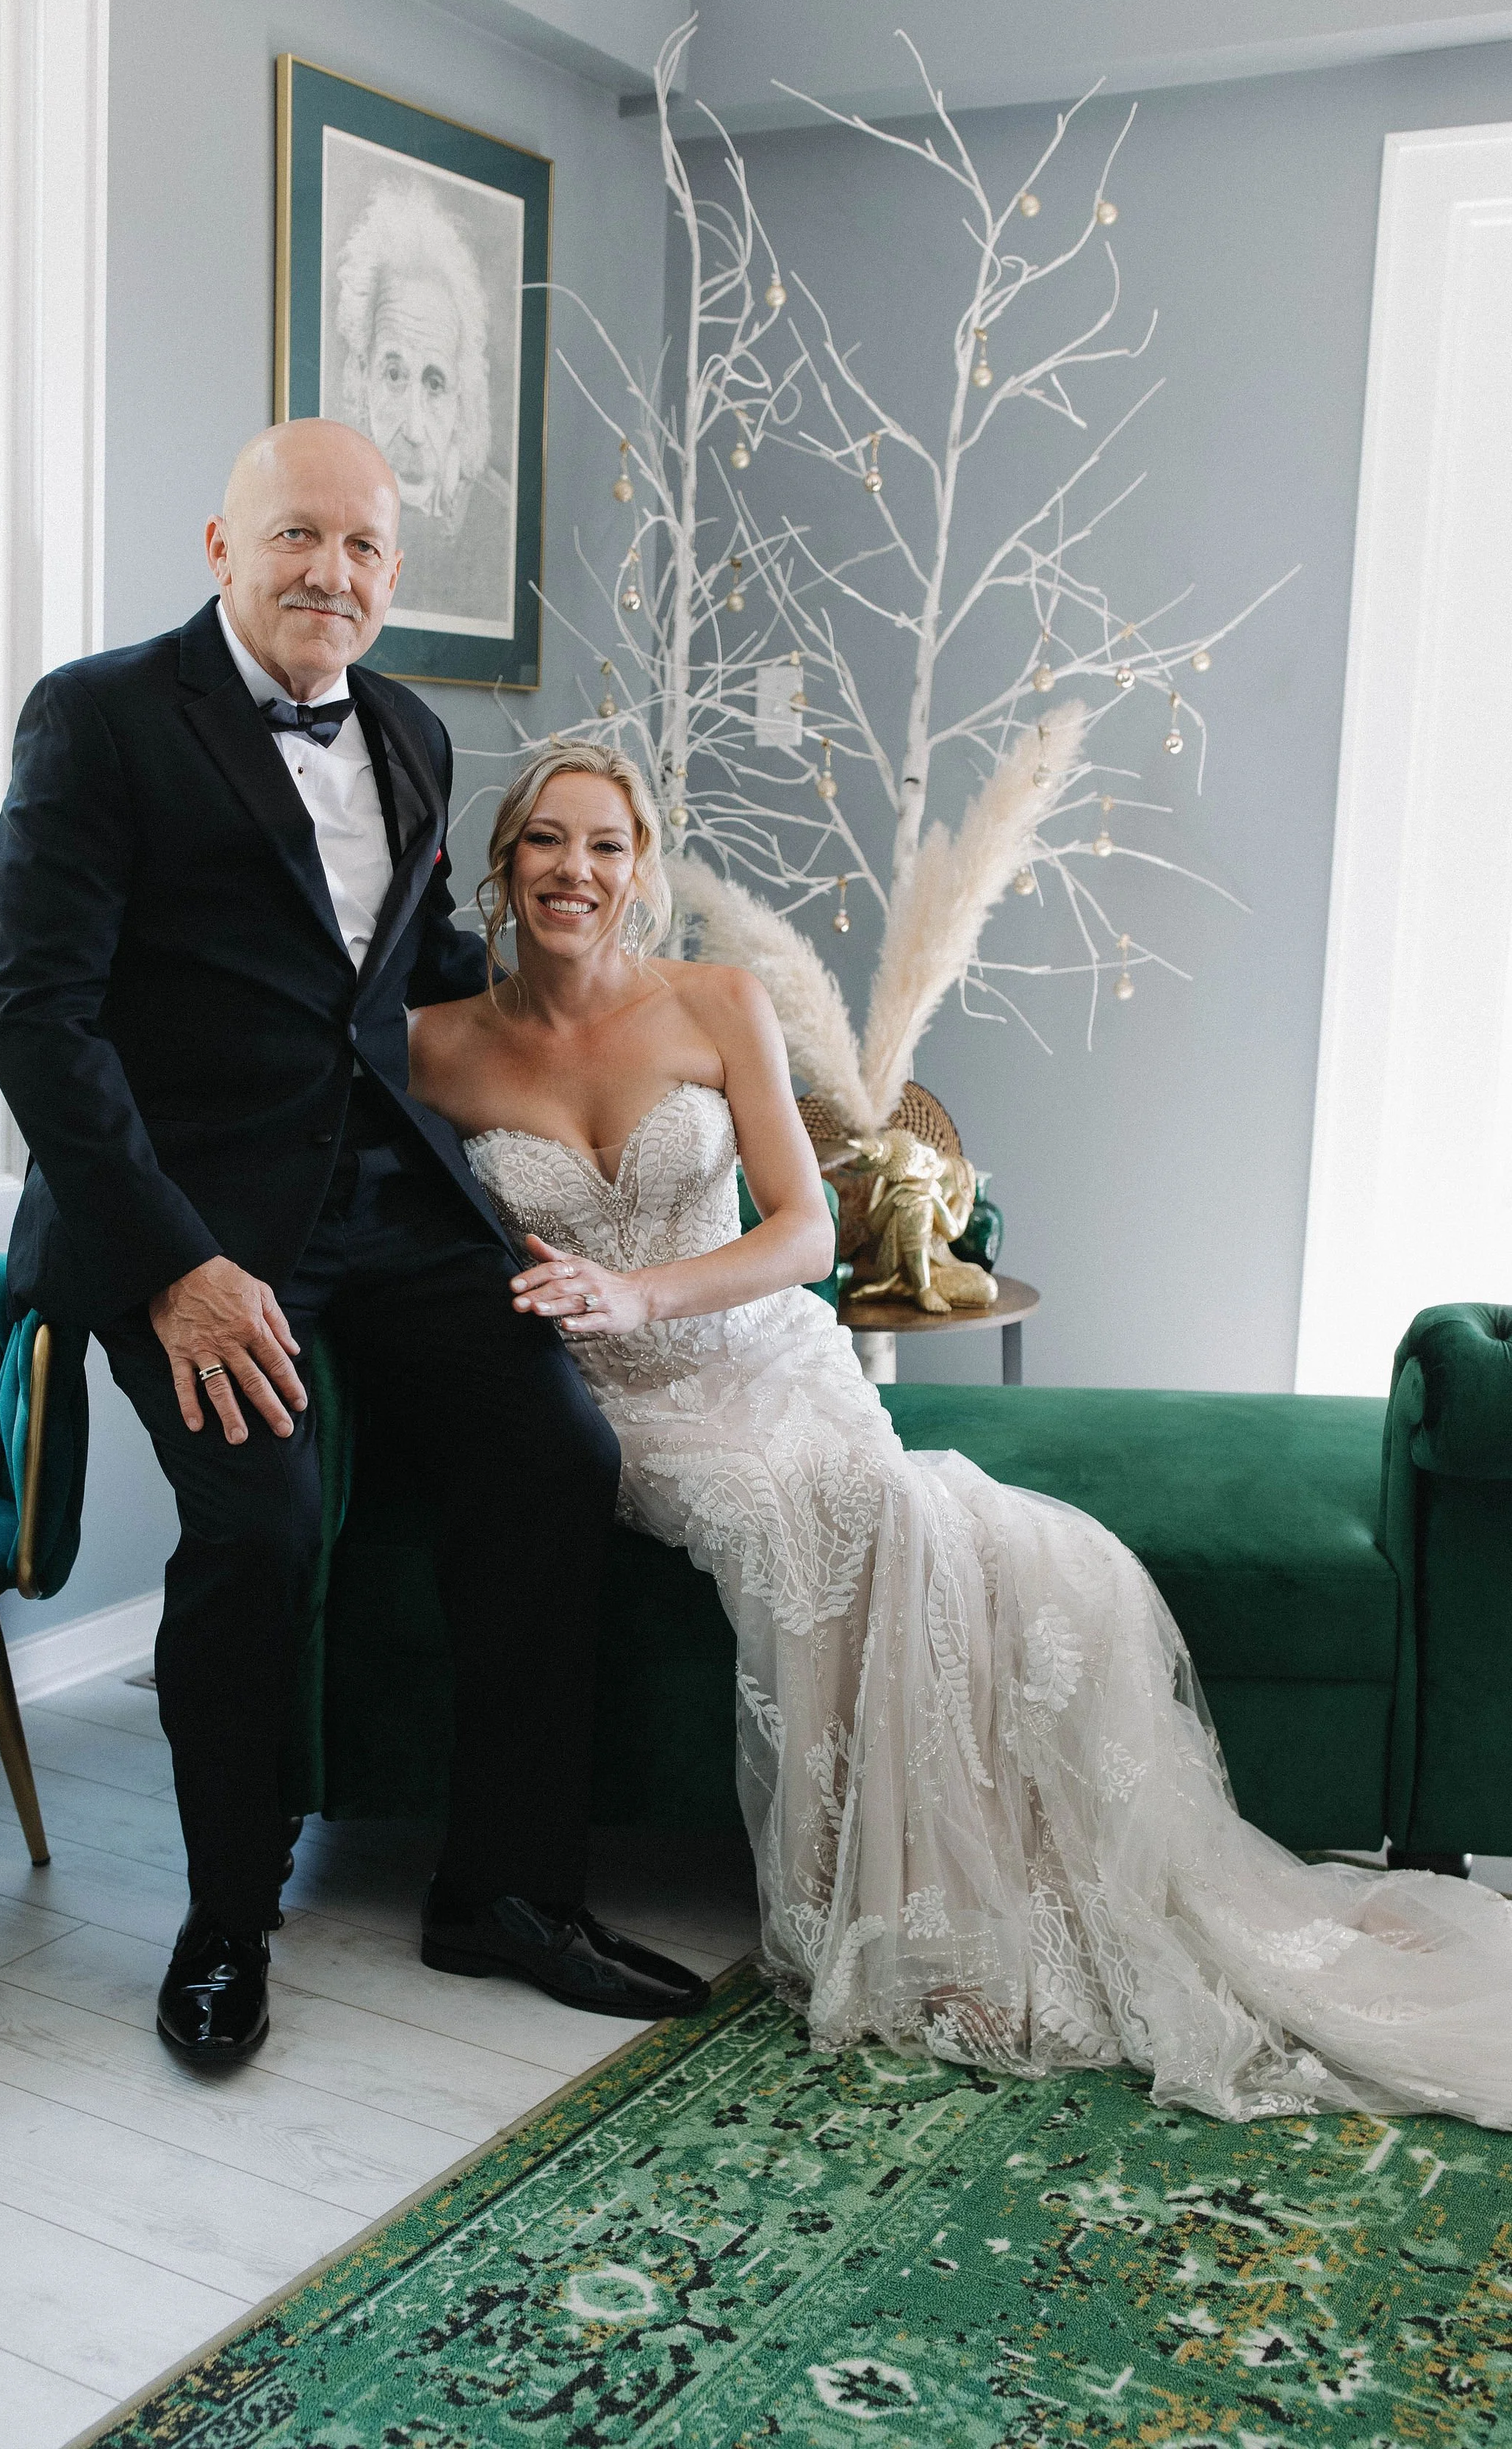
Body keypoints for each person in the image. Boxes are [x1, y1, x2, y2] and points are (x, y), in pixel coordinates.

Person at [409, 740, 1512, 2127]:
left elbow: (806, 1233)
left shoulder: (717, 1003)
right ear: (504, 870)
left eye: (607, 847)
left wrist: (643, 1284)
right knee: (778, 1519)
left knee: (882, 1514)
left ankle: (936, 1915)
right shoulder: (435, 1050)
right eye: (548, 845)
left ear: (641, 872)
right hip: (621, 1397)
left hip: (759, 1347)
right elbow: (401, 1234)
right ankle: (873, 1911)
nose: (577, 871)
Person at [0, 424, 706, 2065]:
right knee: (268, 1523)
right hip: (196, 1225)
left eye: (368, 548)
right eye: (300, 536)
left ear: (394, 573)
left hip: (394, 1204)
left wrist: (636, 1026)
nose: (336, 573)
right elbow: (39, 1017)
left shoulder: (413, 731)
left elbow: (413, 971)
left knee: (552, 1452)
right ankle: (228, 1914)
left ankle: (506, 1889)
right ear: (222, 543)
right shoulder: (98, 718)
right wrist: (172, 1265)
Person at [328, 179, 514, 629]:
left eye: (434, 383)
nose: (413, 427)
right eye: (394, 375)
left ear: (461, 396)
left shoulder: (498, 523)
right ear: (361, 374)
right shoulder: (322, 517)